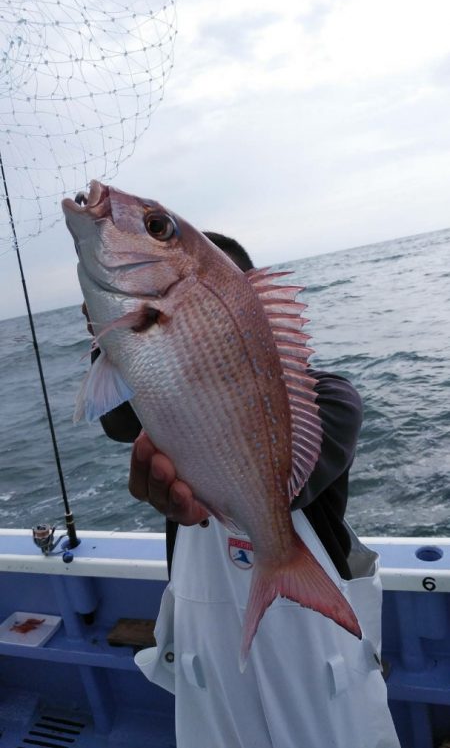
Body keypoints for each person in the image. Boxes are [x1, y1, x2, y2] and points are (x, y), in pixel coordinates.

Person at [92, 233, 400, 748]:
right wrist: (113, 339)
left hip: (315, 643)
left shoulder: (333, 396)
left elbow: (290, 488)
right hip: (208, 653)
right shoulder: (162, 398)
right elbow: (118, 423)